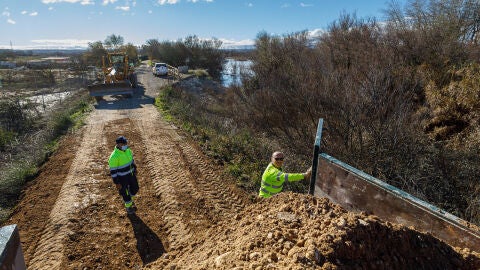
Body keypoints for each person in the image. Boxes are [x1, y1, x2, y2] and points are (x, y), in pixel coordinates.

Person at [108, 136, 139, 214]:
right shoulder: (114, 156)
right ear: (119, 144)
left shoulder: (128, 150)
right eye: (124, 143)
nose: (126, 144)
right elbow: (113, 172)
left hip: (131, 175)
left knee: (135, 189)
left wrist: (134, 168)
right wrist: (117, 183)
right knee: (125, 193)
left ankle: (130, 201)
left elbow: (132, 161)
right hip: (122, 179)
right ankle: (128, 207)